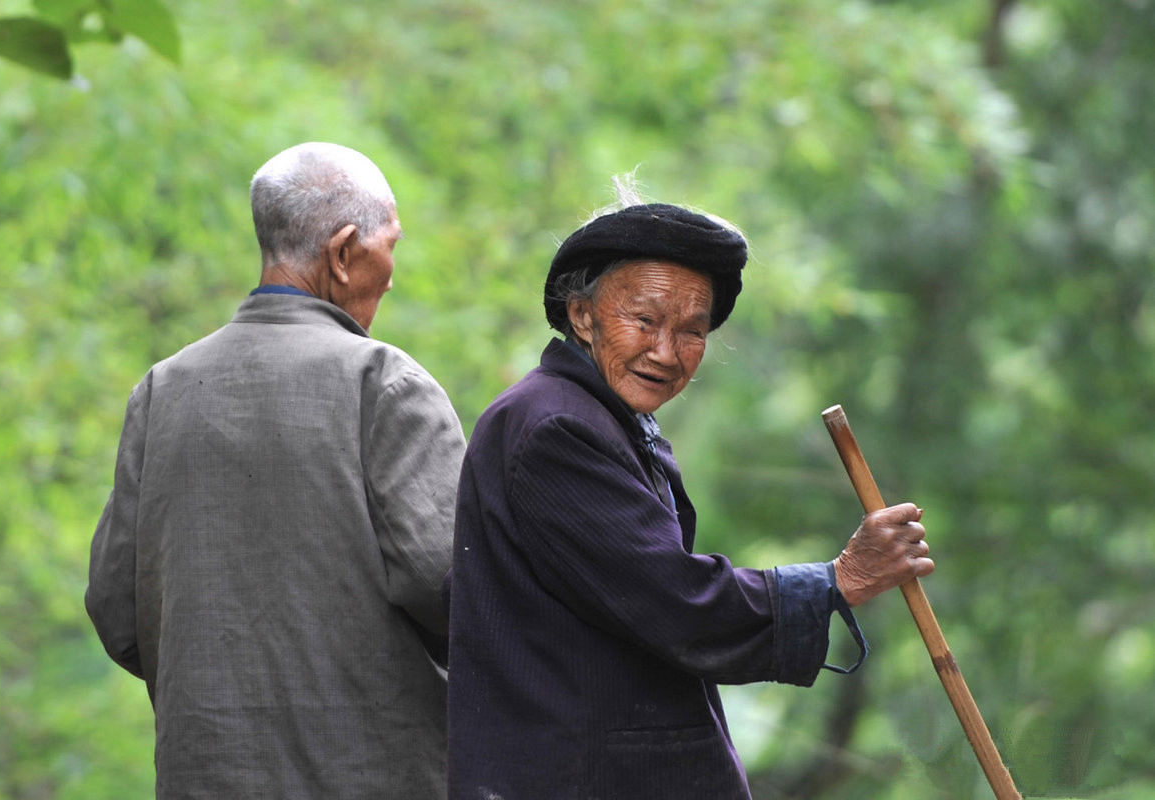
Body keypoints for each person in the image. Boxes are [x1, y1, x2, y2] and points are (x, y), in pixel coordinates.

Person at [446, 180, 934, 799]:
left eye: (691, 331)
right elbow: (673, 602)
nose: (665, 352)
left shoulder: (603, 419)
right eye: (644, 319)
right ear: (582, 315)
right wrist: (838, 581)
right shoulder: (556, 428)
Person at [86, 142, 466, 798]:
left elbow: (117, 609)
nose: (393, 273)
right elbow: (455, 591)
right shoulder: (385, 382)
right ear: (345, 254)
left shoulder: (165, 389)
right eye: (390, 246)